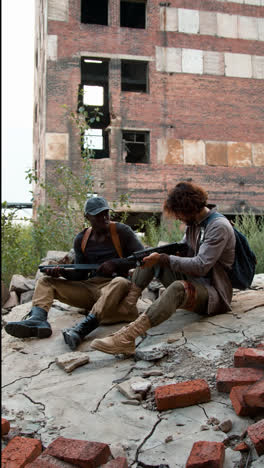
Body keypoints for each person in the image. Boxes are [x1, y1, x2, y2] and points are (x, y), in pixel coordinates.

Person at [90, 182, 236, 356]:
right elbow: (184, 250)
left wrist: (165, 258)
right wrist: (160, 255)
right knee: (153, 257)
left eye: (179, 213)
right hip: (196, 282)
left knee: (177, 287)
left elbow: (201, 266)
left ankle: (127, 338)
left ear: (189, 208)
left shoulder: (218, 226)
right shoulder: (194, 224)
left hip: (215, 294)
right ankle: (128, 307)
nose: (178, 218)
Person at [5, 196, 143, 350]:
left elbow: (144, 257)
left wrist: (116, 264)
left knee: (121, 282)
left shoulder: (121, 231)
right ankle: (37, 320)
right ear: (87, 217)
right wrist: (62, 273)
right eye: (98, 215)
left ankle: (83, 329)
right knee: (45, 282)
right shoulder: (82, 239)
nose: (104, 217)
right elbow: (80, 276)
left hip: (114, 289)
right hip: (90, 288)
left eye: (106, 213)